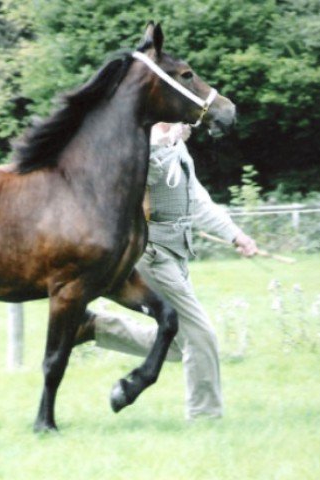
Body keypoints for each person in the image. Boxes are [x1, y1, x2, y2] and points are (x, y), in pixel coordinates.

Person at [75, 122, 258, 420]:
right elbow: (141, 180)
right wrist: (161, 144)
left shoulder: (178, 147)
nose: (190, 123)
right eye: (183, 115)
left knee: (178, 344)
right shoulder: (141, 144)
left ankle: (97, 328)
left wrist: (235, 235)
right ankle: (205, 417)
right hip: (152, 255)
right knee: (202, 335)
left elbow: (197, 201)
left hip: (175, 255)